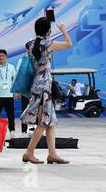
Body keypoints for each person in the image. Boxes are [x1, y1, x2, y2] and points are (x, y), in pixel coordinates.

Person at [21, 18, 72, 165]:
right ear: (48, 31)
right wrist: (63, 30)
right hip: (45, 85)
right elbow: (69, 44)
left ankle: (52, 154)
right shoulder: (48, 43)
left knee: (50, 121)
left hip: (37, 83)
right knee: (44, 122)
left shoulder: (31, 44)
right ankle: (29, 152)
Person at [0, 49, 17, 140]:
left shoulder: (11, 67)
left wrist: (16, 92)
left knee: (11, 115)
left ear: (6, 57)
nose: (1, 57)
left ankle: (12, 132)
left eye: (3, 56)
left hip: (9, 95)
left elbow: (15, 80)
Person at [15, 42, 33, 137]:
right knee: (25, 110)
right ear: (26, 49)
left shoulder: (38, 59)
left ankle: (36, 131)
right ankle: (24, 132)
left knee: (38, 111)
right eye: (30, 48)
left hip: (36, 90)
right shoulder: (21, 61)